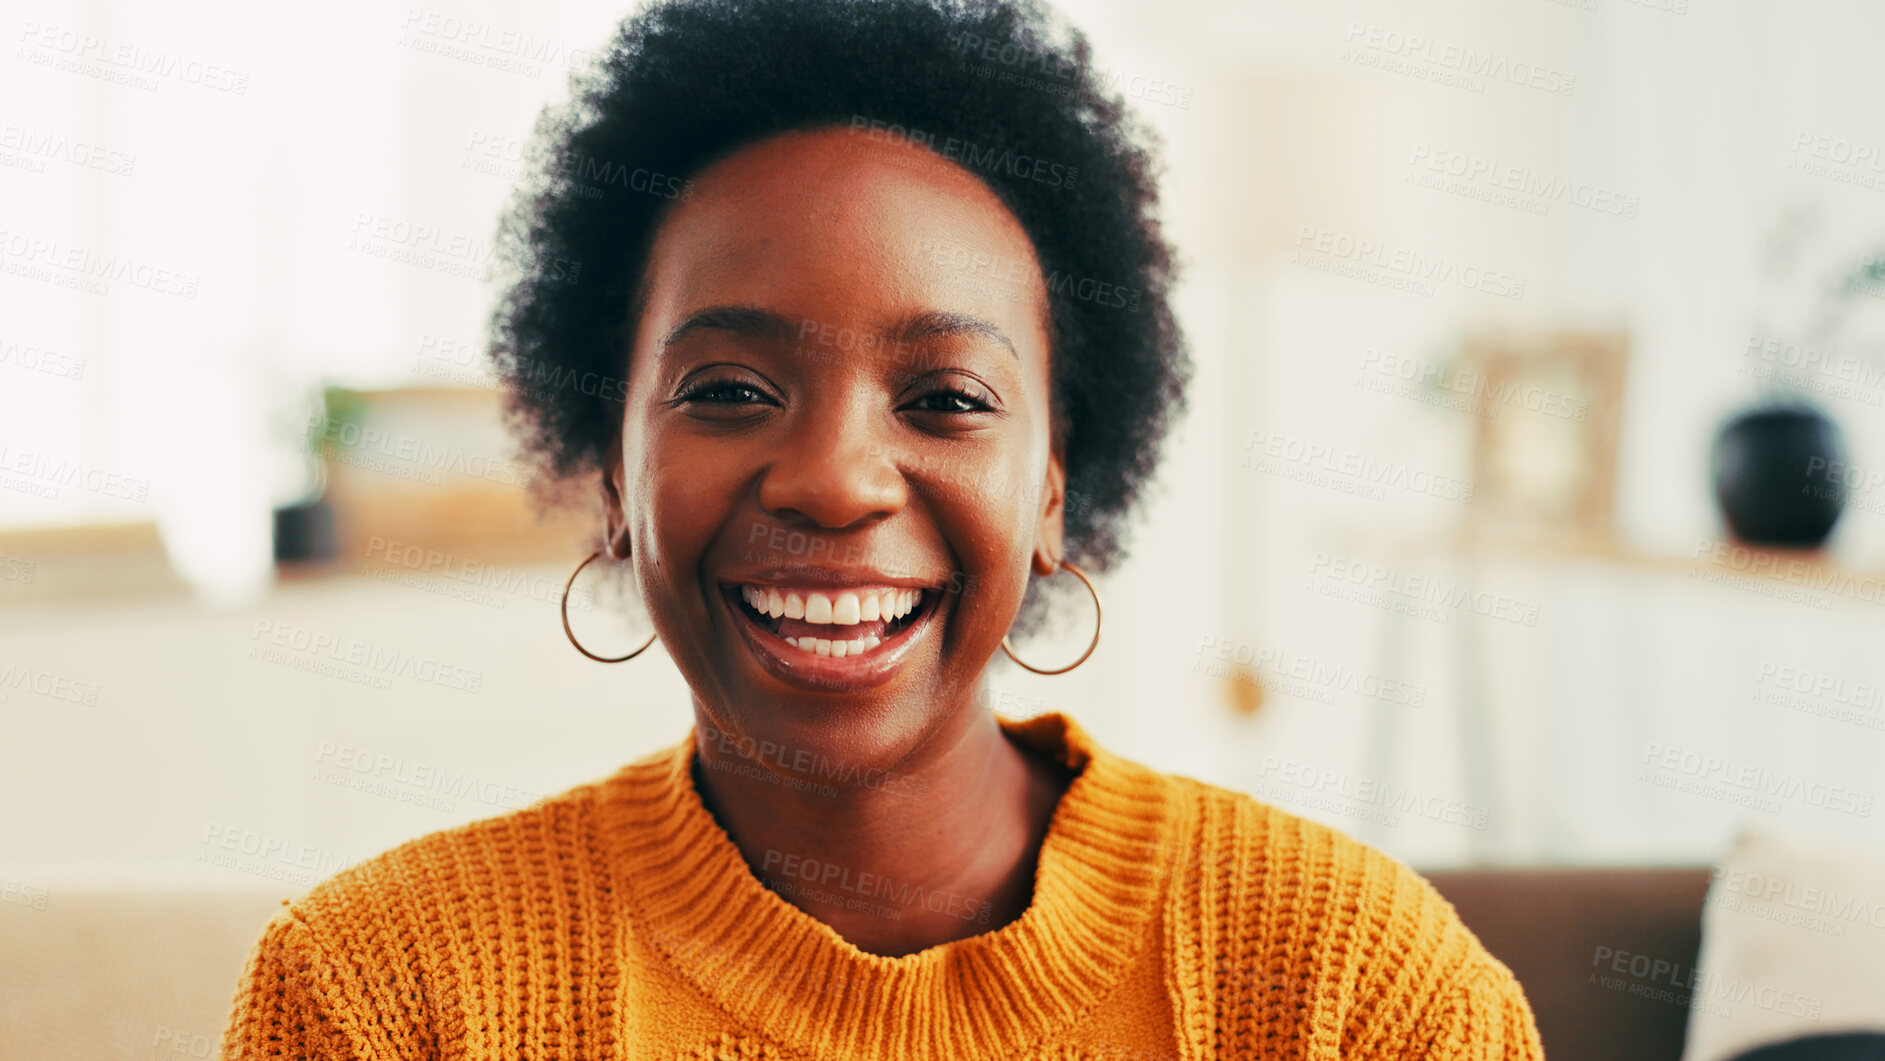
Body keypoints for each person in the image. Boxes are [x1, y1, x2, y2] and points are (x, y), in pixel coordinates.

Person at [220, 0, 1545, 1056]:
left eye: (946, 398)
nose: (834, 480)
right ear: (614, 475)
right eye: (728, 389)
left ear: (1054, 487)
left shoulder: (1355, 994)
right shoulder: (382, 997)